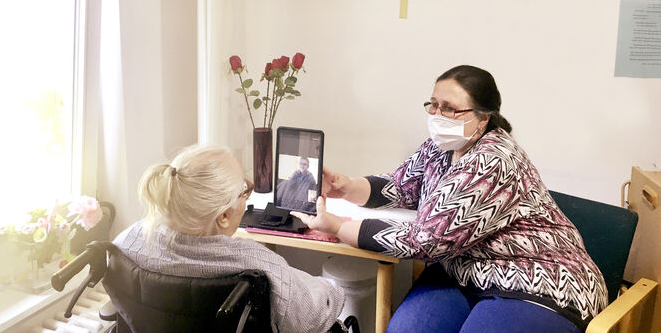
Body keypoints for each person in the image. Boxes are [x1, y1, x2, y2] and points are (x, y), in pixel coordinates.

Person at [292, 65, 607, 333]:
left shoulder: (492, 162)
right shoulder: (441, 145)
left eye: (450, 108)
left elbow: (424, 242)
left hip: (537, 283)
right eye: (433, 105)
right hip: (465, 271)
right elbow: (402, 186)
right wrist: (344, 185)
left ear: (483, 117)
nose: (438, 115)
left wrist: (336, 226)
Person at [113, 144, 344, 333]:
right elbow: (310, 320)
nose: (247, 196)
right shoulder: (256, 262)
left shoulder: (127, 241)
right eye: (244, 190)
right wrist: (333, 289)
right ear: (223, 216)